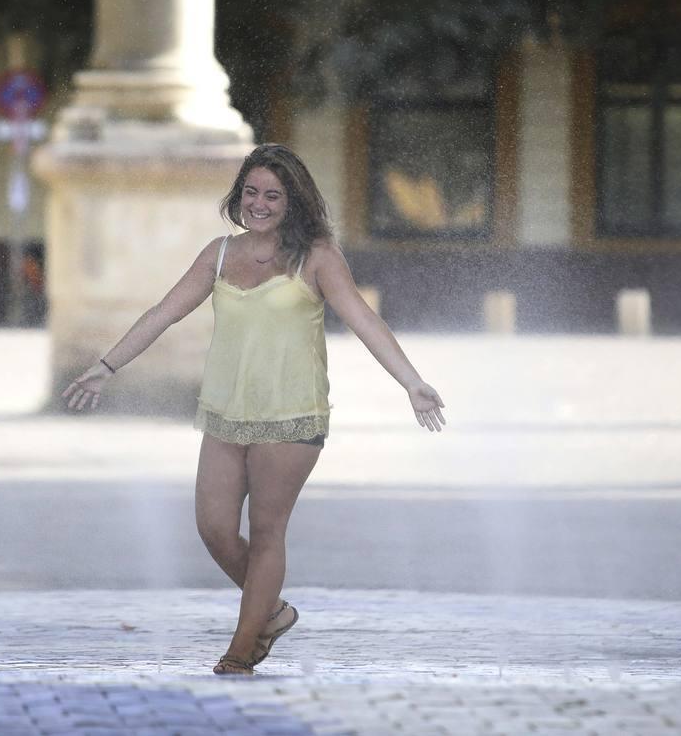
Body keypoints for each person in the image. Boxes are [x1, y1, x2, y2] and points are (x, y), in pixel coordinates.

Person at [63, 143, 446, 676]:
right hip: (225, 414)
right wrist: (107, 365)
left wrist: (412, 383)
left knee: (268, 534)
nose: (259, 204)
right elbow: (164, 312)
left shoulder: (317, 257)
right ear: (238, 194)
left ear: (293, 202)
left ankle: (240, 655)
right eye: (251, 192)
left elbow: (364, 320)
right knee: (214, 528)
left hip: (291, 418)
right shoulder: (219, 253)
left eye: (273, 195)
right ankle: (272, 611)